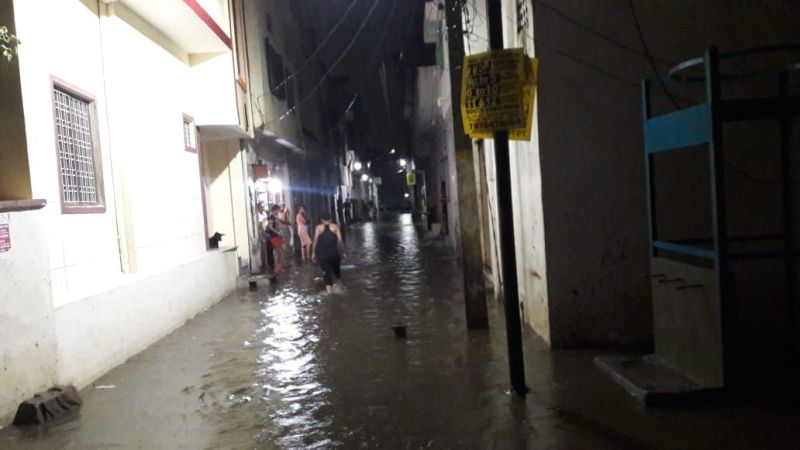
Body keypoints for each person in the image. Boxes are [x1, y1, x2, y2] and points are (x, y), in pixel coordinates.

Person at [312, 212, 346, 294]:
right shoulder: (335, 227)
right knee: (337, 274)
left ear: (321, 220)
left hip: (322, 255)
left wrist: (313, 253)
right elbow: (340, 241)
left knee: (326, 275)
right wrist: (344, 252)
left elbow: (315, 241)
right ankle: (342, 292)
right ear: (330, 219)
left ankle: (329, 297)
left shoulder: (318, 228)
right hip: (334, 254)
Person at [267, 204, 286, 272]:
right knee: (280, 252)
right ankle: (277, 267)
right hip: (274, 236)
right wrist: (278, 232)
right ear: (274, 210)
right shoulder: (271, 217)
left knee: (279, 252)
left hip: (276, 236)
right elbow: (270, 227)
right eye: (278, 210)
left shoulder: (274, 217)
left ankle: (278, 267)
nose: (278, 211)